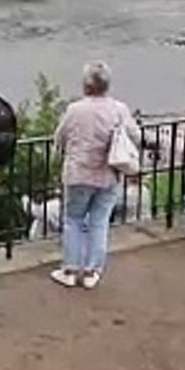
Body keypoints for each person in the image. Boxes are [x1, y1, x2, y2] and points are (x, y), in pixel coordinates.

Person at [50, 62, 139, 289]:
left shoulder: (75, 110)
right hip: (108, 174)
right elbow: (135, 136)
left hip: (78, 173)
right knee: (99, 223)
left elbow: (59, 138)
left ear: (86, 85)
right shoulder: (119, 109)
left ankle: (70, 269)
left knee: (73, 220)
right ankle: (92, 272)